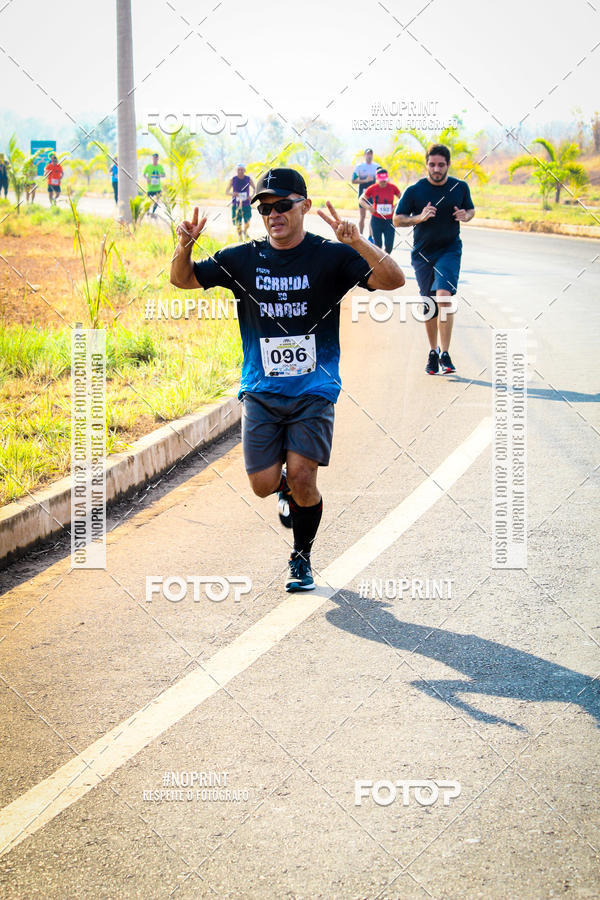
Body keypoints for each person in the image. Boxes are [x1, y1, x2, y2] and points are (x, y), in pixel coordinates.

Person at [170, 168, 405, 592]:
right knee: (262, 485)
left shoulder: (331, 256)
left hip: (315, 388)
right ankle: (285, 490)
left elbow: (393, 280)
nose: (273, 214)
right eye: (265, 208)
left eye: (282, 205)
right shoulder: (242, 258)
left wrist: (357, 242)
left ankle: (301, 558)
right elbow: (181, 279)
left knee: (302, 475)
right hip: (261, 390)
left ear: (305, 206)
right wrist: (184, 246)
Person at [393, 144, 475, 375]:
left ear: (448, 165)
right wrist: (419, 218)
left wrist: (465, 216)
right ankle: (433, 351)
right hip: (423, 254)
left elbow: (470, 210)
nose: (436, 169)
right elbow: (397, 220)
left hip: (449, 250)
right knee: (429, 304)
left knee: (443, 297)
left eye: (441, 165)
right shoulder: (415, 190)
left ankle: (445, 353)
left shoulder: (460, 187)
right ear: (426, 164)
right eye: (432, 164)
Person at [359, 169, 400, 254]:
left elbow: (402, 198)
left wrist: (395, 206)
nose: (383, 182)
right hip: (376, 219)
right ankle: (380, 261)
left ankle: (385, 258)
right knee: (378, 245)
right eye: (381, 180)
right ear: (377, 179)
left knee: (389, 246)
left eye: (384, 180)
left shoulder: (393, 187)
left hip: (389, 220)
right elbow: (361, 200)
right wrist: (369, 207)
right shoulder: (372, 188)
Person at [352, 148, 378, 235]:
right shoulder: (359, 167)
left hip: (373, 195)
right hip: (363, 194)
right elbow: (353, 180)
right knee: (362, 216)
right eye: (368, 154)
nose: (369, 156)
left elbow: (382, 179)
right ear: (364, 155)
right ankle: (361, 235)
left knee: (372, 216)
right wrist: (365, 180)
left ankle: (370, 236)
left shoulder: (377, 166)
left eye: (371, 154)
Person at [226, 164, 255, 241]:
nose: (240, 171)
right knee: (237, 222)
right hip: (236, 204)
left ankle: (245, 231)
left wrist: (251, 196)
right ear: (236, 170)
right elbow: (227, 192)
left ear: (244, 170)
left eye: (242, 169)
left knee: (247, 221)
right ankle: (240, 238)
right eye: (239, 169)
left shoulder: (248, 179)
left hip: (246, 204)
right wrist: (233, 194)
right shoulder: (233, 179)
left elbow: (254, 189)